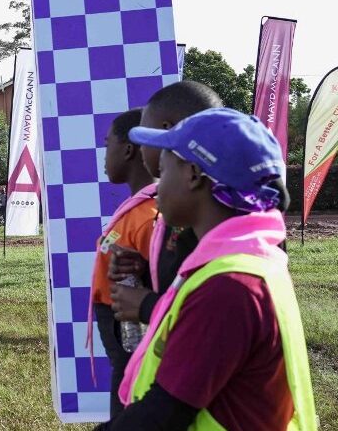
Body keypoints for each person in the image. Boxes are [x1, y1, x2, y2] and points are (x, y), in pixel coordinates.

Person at [98, 108, 316, 430]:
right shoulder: (251, 262)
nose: (158, 184)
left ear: (193, 173)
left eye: (165, 167)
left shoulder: (228, 287)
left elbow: (163, 415)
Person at [108, 81, 223, 326]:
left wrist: (147, 306)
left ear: (167, 132)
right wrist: (146, 268)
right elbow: (180, 282)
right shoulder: (190, 214)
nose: (141, 150)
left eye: (146, 134)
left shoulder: (224, 231)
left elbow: (210, 319)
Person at [87, 109, 157, 416]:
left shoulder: (150, 216)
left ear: (128, 149)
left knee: (129, 403)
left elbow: (167, 283)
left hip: (131, 331)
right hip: (118, 328)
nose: (104, 155)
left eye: (107, 144)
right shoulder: (136, 207)